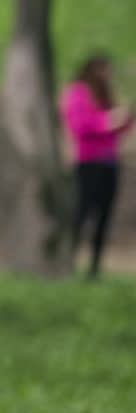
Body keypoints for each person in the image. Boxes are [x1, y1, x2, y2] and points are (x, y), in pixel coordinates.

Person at [61, 54, 133, 279]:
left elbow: (117, 132)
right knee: (82, 213)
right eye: (103, 69)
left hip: (109, 162)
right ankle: (67, 262)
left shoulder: (105, 96)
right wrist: (109, 120)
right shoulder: (77, 92)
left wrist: (126, 120)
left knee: (104, 215)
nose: (107, 75)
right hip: (88, 162)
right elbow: (80, 126)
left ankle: (94, 269)